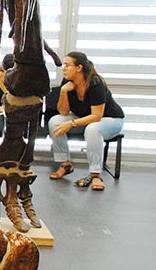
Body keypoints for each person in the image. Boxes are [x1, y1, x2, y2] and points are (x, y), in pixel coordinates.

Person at [47, 51, 124, 191]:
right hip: (85, 119)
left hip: (110, 120)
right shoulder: (67, 82)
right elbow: (63, 112)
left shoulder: (95, 83)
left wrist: (71, 123)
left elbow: (96, 116)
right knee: (55, 121)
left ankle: (95, 174)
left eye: (67, 65)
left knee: (92, 129)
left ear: (79, 68)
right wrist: (63, 92)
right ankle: (65, 164)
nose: (63, 68)